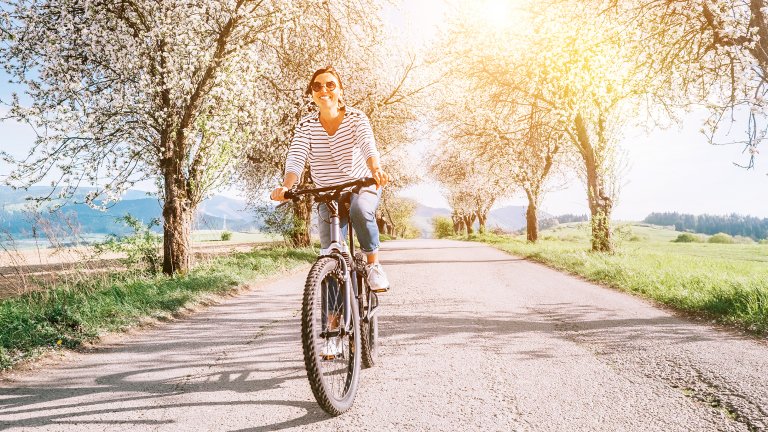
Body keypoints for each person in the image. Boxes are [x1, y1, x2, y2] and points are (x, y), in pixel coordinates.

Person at [271, 66, 390, 293]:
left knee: (360, 209)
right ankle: (332, 317)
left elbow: (367, 145)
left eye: (330, 85)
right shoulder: (306, 125)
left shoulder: (356, 118)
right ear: (312, 94)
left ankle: (374, 265)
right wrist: (286, 186)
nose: (323, 90)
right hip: (327, 192)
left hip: (361, 184)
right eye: (317, 86)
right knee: (330, 251)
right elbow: (296, 155)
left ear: (340, 91)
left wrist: (376, 170)